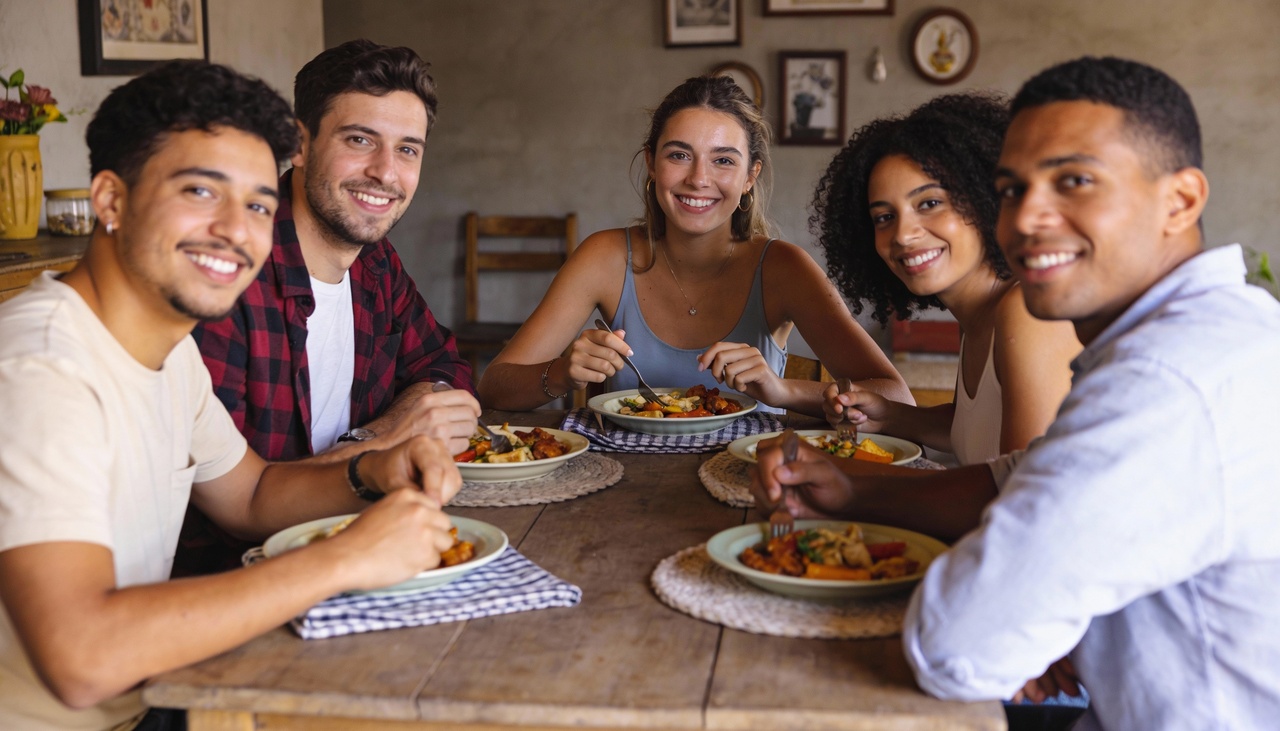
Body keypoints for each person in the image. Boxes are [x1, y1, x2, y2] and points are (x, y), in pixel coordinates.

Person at [752, 56, 1280, 730]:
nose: (1026, 218)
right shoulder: (1186, 338)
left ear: (1179, 201)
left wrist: (1026, 611)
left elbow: (955, 644)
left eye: (1075, 181)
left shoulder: (1167, 380)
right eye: (1010, 189)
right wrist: (852, 488)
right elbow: (1019, 473)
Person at [0, 61, 463, 731]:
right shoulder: (41, 365)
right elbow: (82, 658)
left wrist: (371, 471)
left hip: (163, 690)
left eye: (256, 204)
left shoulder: (170, 350)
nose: (236, 229)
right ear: (111, 200)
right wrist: (345, 556)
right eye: (199, 190)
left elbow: (250, 497)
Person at [182, 40, 479, 574]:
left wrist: (420, 406)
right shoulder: (227, 277)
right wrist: (381, 441)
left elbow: (445, 366)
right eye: (361, 140)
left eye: (408, 149)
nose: (386, 173)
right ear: (299, 142)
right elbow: (221, 512)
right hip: (236, 583)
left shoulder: (375, 264)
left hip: (364, 549)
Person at [478, 75, 909, 416]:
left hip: (752, 490)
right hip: (622, 489)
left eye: (723, 160)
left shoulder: (783, 268)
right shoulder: (604, 257)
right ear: (651, 163)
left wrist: (783, 391)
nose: (699, 179)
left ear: (749, 177)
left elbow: (895, 397)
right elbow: (494, 385)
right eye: (679, 155)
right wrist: (559, 374)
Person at [811, 93, 1079, 465]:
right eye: (884, 217)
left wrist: (853, 488)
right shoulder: (978, 316)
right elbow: (973, 427)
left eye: (929, 203)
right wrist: (890, 415)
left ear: (989, 198)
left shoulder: (1028, 313)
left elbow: (1021, 493)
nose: (903, 234)